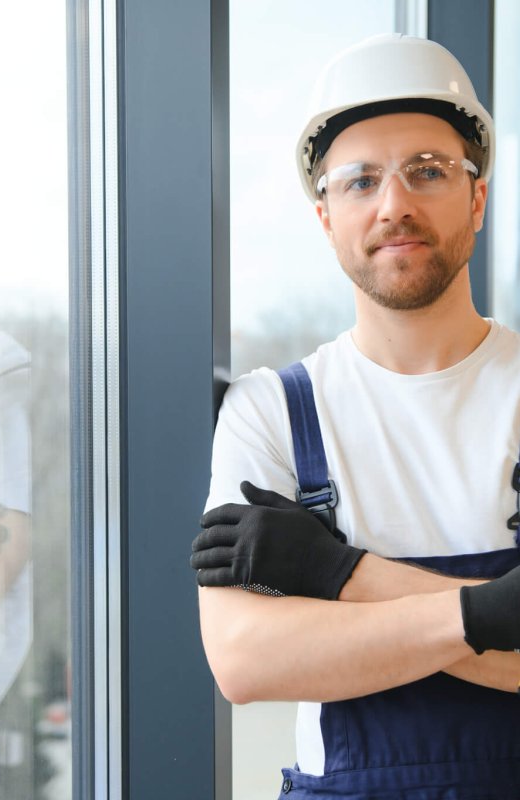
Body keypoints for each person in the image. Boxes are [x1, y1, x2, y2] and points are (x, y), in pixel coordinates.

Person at [191, 33, 520, 799]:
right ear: (326, 217)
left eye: (427, 173)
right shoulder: (270, 411)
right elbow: (246, 662)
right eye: (361, 181)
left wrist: (336, 575)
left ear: (477, 197)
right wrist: (491, 614)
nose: (394, 203)